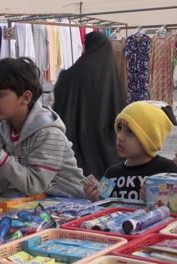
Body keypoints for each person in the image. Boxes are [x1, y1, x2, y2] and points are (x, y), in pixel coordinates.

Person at [0, 57, 86, 198]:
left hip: (71, 205)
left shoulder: (49, 132)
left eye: (0, 94)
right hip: (35, 206)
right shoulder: (2, 131)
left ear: (25, 98)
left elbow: (33, 185)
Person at [53, 31, 126, 178]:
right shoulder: (112, 76)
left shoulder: (72, 74)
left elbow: (61, 98)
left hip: (78, 137)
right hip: (106, 139)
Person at [84, 101, 177, 202]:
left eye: (130, 132)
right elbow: (102, 203)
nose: (120, 136)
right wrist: (94, 198)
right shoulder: (111, 173)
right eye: (120, 128)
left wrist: (158, 199)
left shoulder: (167, 170)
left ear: (150, 138)